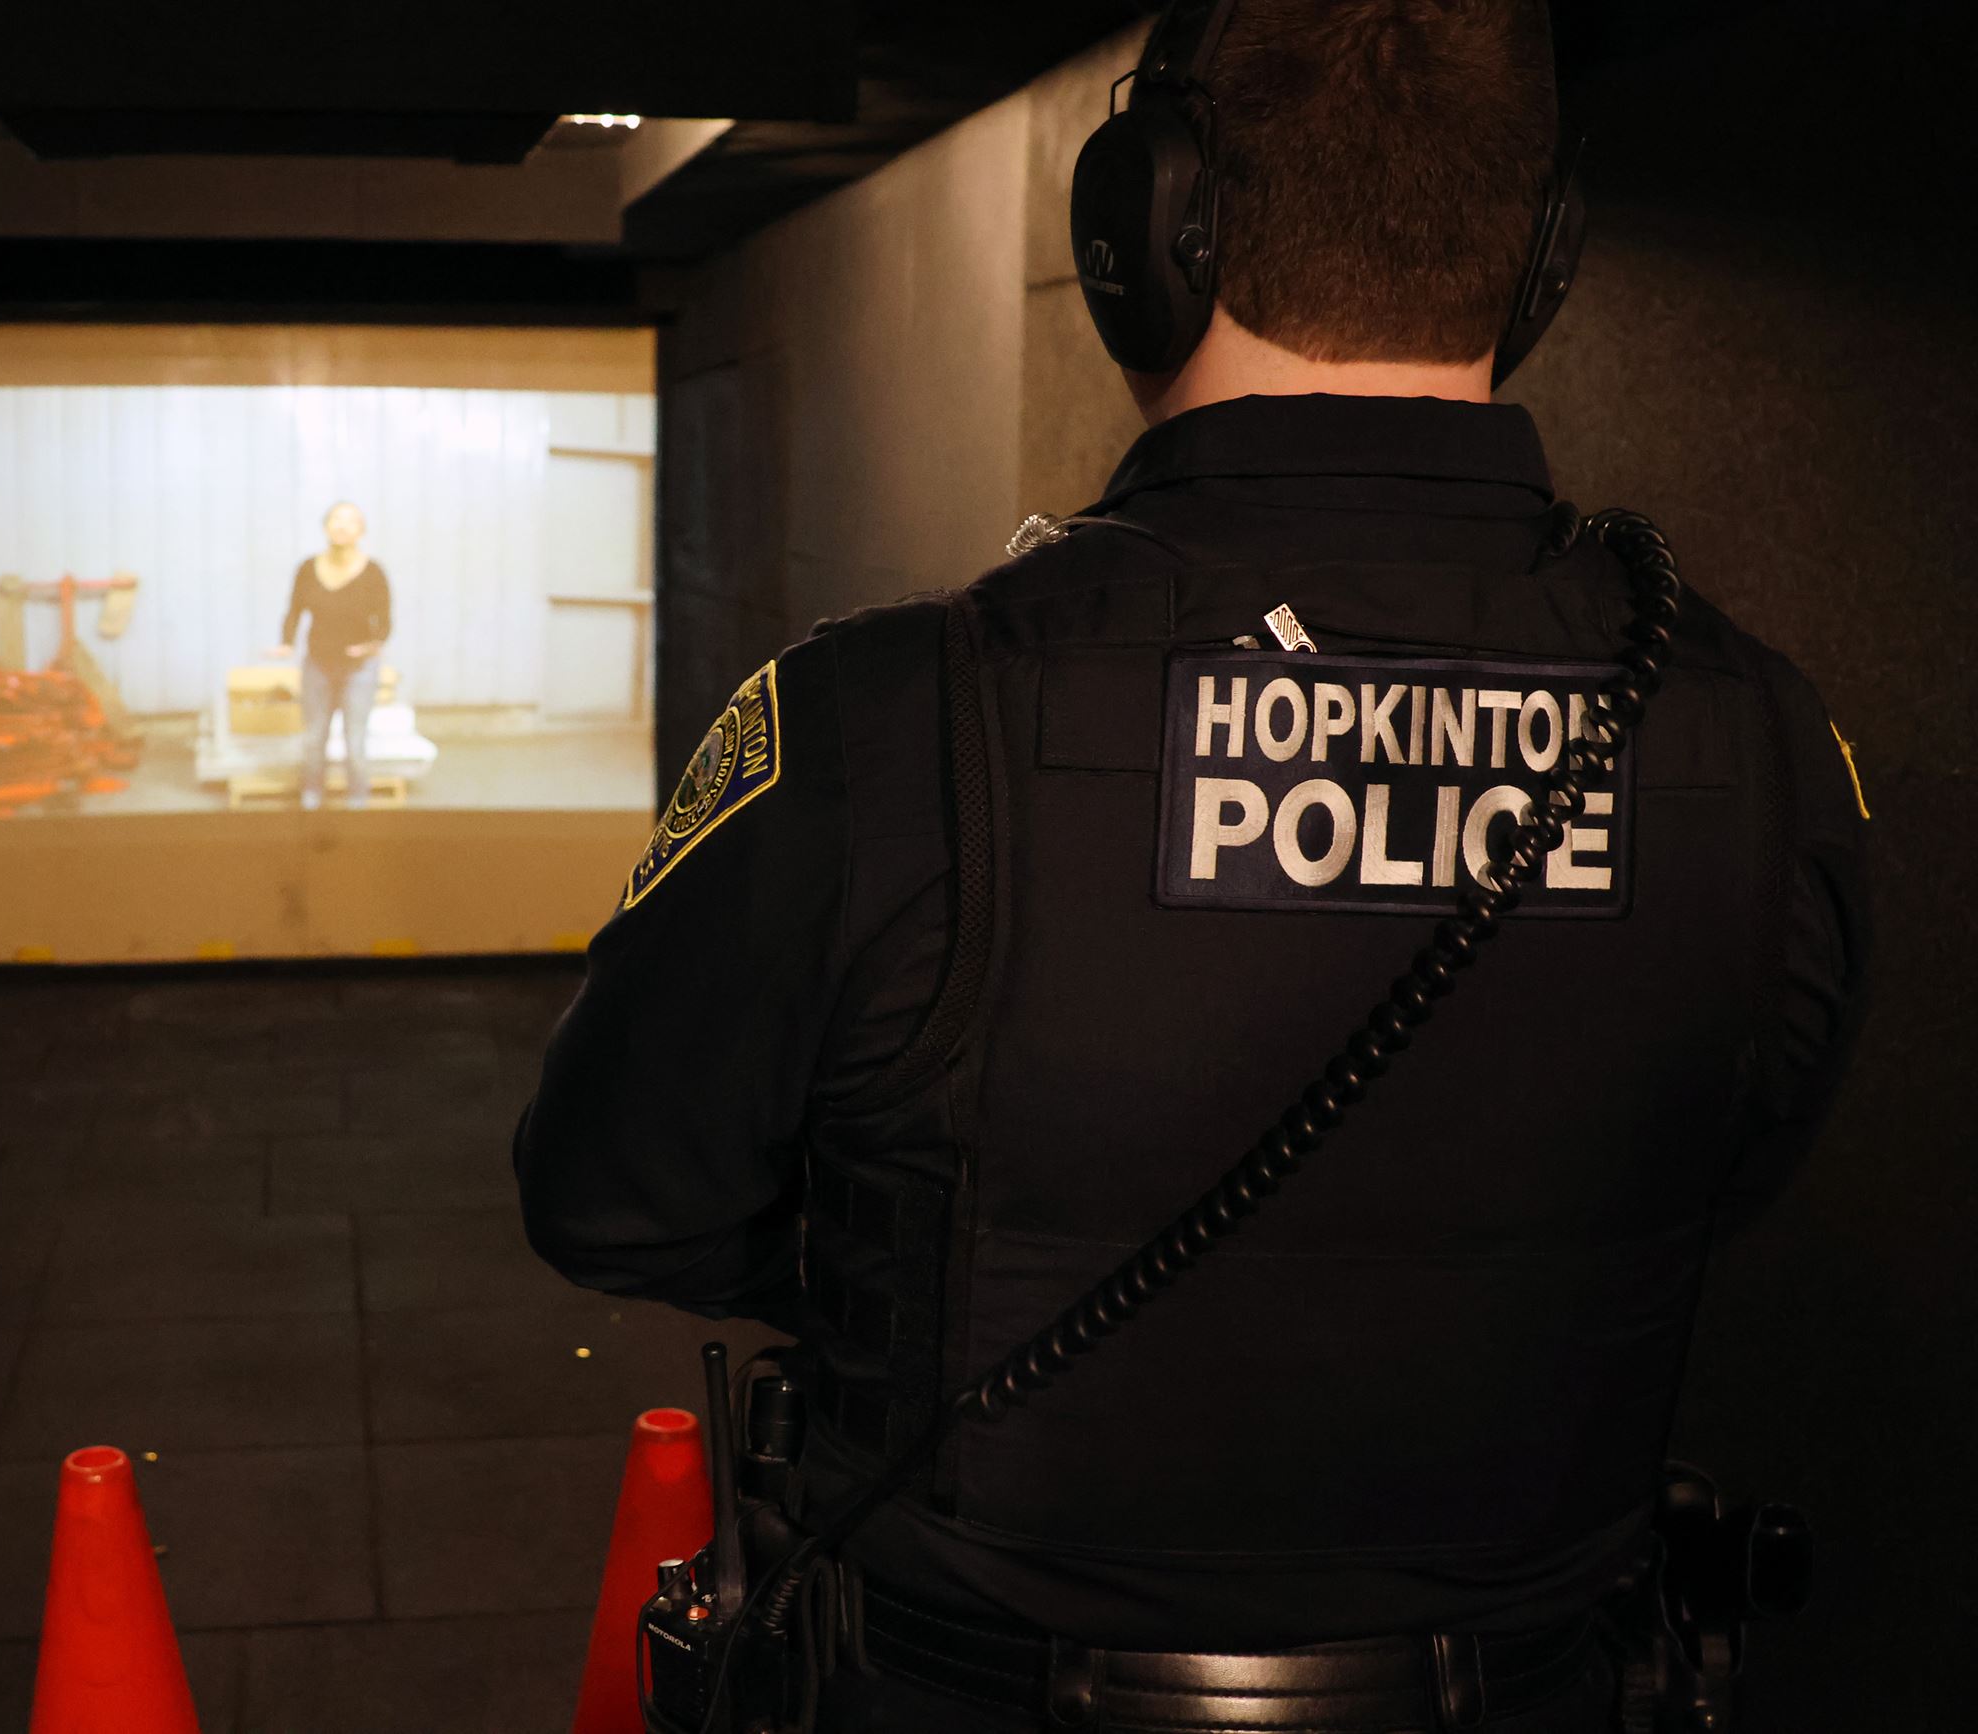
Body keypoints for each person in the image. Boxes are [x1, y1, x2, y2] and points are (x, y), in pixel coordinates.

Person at [513, 3, 1871, 1731]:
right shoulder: (1763, 741)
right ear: (1546, 254)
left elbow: (613, 1192)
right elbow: (1723, 1164)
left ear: (1138, 228)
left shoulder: (878, 719)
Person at [272, 500, 392, 809]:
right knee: (313, 739)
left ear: (361, 530)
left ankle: (357, 803)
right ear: (325, 527)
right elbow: (295, 610)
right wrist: (286, 643)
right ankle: (311, 799)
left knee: (355, 741)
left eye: (350, 521)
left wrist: (371, 645)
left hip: (359, 669)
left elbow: (385, 621)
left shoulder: (374, 572)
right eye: (335, 520)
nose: (342, 525)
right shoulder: (308, 568)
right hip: (318, 665)